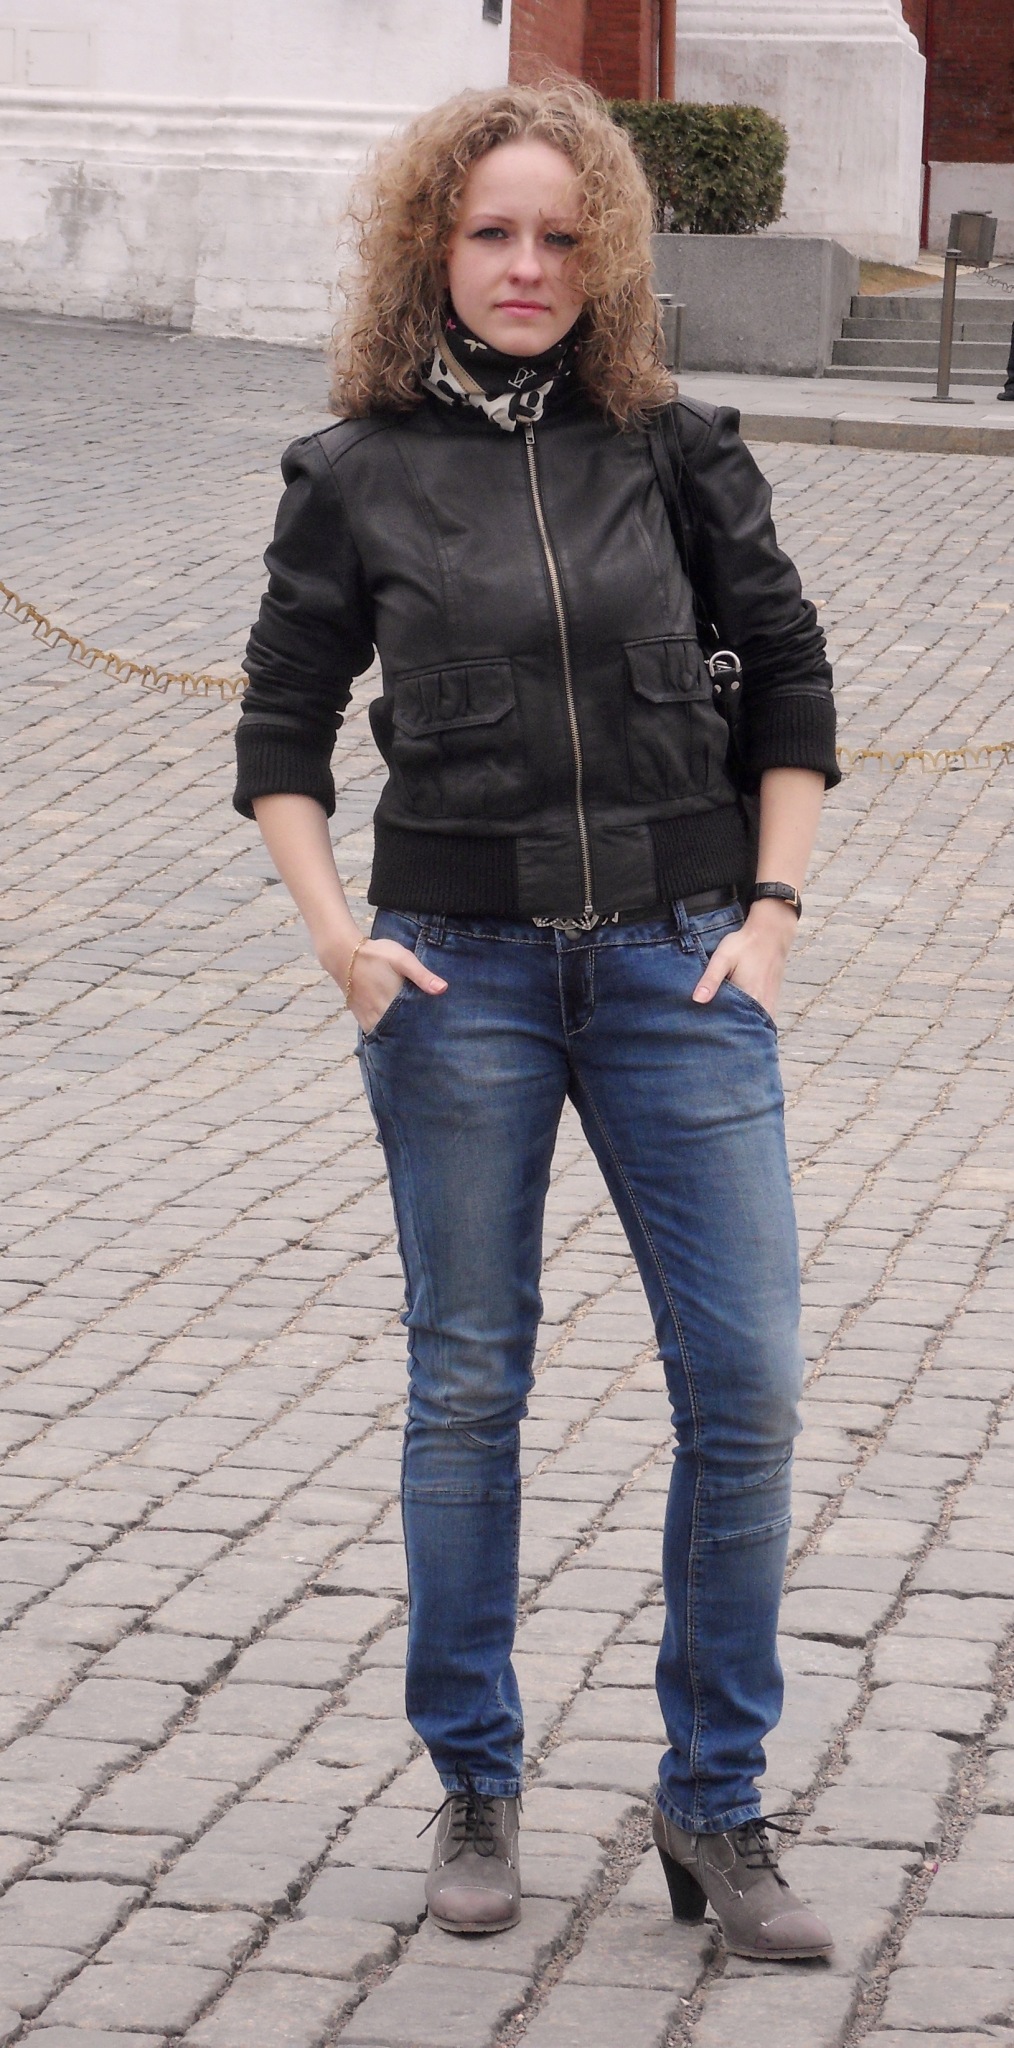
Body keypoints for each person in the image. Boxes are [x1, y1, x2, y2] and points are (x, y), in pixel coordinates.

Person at [234, 79, 838, 1963]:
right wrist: (340, 943)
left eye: (561, 238)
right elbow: (279, 730)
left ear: (607, 259)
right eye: (491, 232)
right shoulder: (353, 472)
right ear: (433, 244)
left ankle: (712, 1798)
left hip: (678, 967)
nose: (524, 267)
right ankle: (474, 1778)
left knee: (745, 1387)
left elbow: (789, 676)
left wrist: (769, 915)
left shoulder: (676, 450)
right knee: (468, 1384)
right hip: (458, 978)